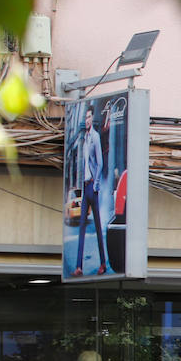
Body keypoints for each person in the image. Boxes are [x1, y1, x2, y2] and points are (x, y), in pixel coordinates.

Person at [73, 106, 108, 277]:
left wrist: (97, 184)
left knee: (98, 226)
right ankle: (78, 266)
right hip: (85, 185)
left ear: (92, 118)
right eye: (85, 117)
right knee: (81, 226)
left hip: (92, 186)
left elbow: (100, 163)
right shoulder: (85, 138)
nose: (87, 120)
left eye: (89, 117)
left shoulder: (94, 137)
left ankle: (103, 263)